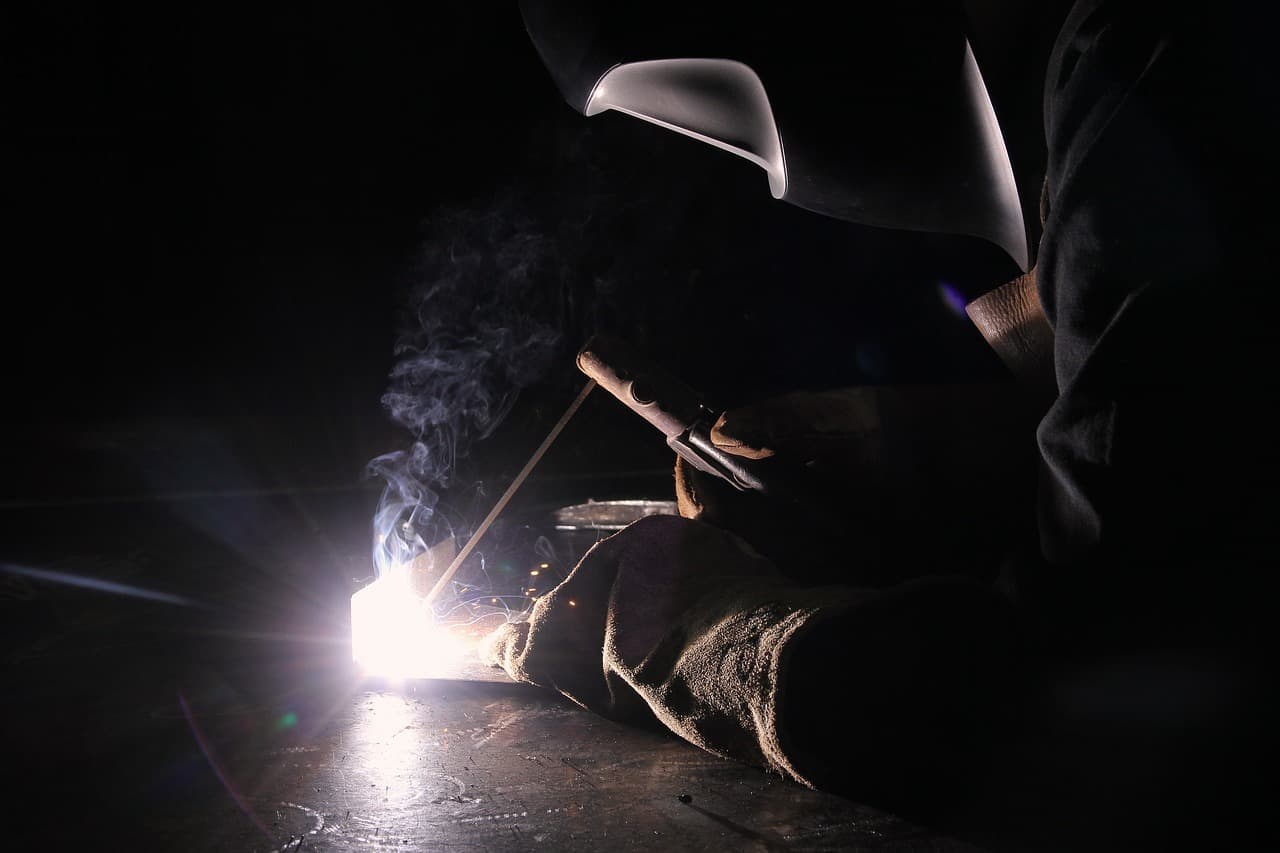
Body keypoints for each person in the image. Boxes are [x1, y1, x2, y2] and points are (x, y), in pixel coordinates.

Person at [482, 1, 1278, 846]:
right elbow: (1205, 458)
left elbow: (1070, 696)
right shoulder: (1108, 79)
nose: (766, 157)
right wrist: (952, 466)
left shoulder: (1149, 65)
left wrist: (695, 635)